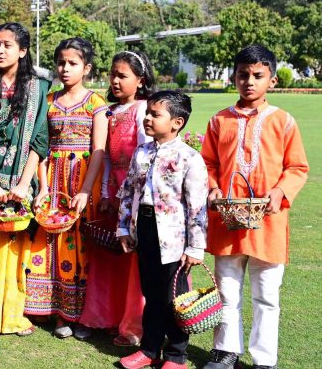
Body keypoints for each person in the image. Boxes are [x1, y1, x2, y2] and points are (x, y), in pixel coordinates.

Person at [201, 45, 309, 369]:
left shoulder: (283, 121)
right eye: (243, 75)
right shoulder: (219, 120)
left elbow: (297, 167)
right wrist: (214, 188)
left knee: (266, 295)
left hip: (268, 222)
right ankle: (225, 351)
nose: (249, 81)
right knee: (227, 291)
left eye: (258, 75)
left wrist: (279, 192)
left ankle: (264, 360)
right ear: (233, 78)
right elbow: (206, 163)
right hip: (227, 220)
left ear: (271, 81)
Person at [116, 91, 209, 369]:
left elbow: (197, 206)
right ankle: (149, 349)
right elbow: (128, 191)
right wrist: (123, 228)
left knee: (174, 298)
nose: (147, 118)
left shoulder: (189, 157)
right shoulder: (142, 152)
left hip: (174, 237)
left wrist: (195, 247)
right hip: (144, 228)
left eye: (155, 114)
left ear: (177, 122)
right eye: (147, 112)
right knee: (151, 293)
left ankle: (176, 355)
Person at [0, 22, 50, 336]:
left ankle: (13, 314)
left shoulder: (38, 87)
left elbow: (40, 138)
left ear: (23, 50)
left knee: (18, 249)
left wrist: (21, 185)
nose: (0, 50)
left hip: (22, 180)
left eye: (7, 44)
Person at [31, 37, 107, 340]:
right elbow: (42, 146)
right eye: (61, 62)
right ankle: (56, 311)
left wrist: (86, 191)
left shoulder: (95, 104)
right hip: (53, 179)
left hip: (82, 180)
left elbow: (99, 150)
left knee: (81, 248)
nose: (65, 68)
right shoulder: (48, 102)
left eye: (72, 63)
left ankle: (82, 315)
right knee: (51, 242)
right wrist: (43, 187)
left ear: (86, 68)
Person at [80, 50, 155, 346]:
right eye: (112, 74)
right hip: (113, 192)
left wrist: (129, 198)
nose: (114, 80)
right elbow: (108, 157)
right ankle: (105, 318)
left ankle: (133, 325)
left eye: (122, 76)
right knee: (109, 257)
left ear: (140, 80)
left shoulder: (142, 110)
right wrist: (105, 192)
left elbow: (144, 155)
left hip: (135, 193)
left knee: (133, 261)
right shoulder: (109, 111)